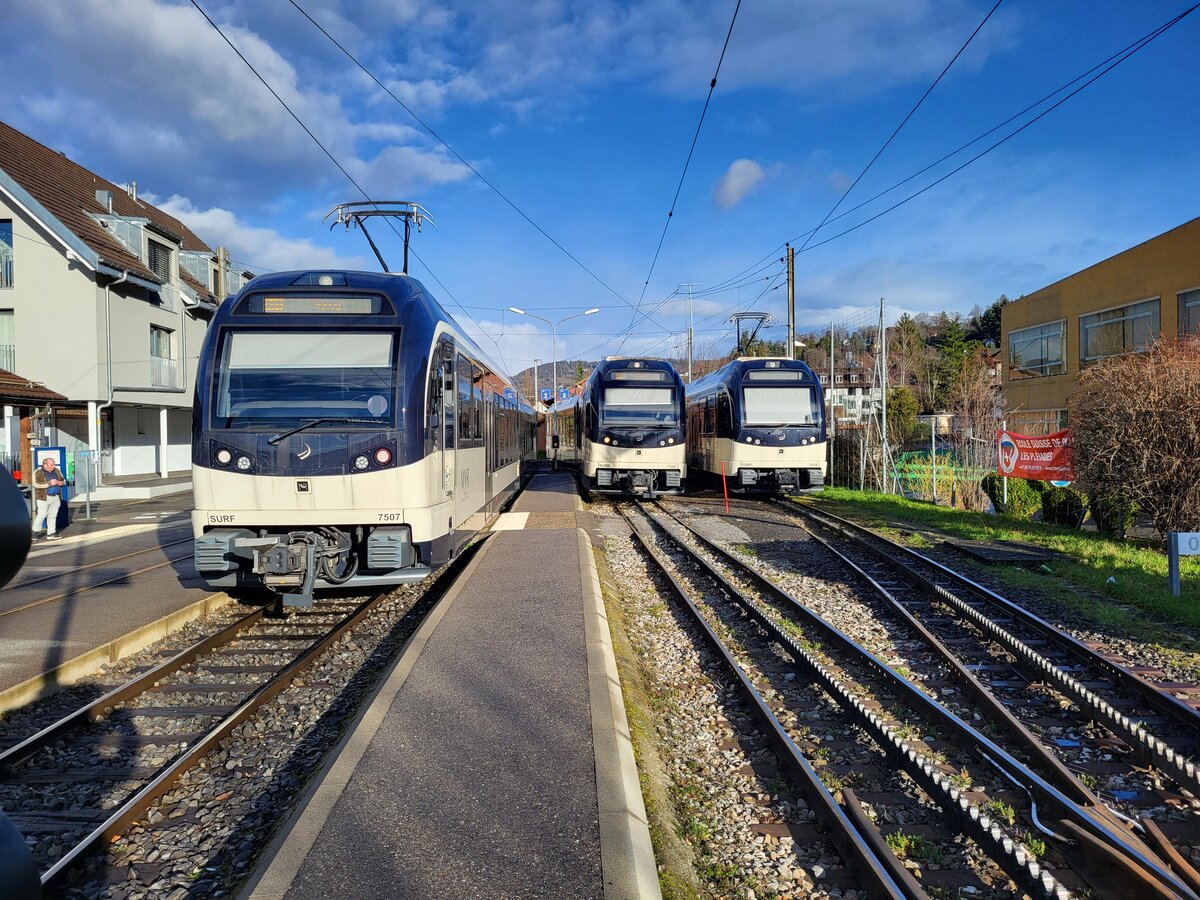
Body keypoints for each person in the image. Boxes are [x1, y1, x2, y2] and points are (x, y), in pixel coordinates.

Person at [32, 456, 65, 540]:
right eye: (51, 465)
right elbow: (35, 484)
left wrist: (62, 482)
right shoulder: (38, 472)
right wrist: (49, 483)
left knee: (52, 515)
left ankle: (51, 533)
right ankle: (35, 532)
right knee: (42, 514)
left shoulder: (57, 471)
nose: (53, 466)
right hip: (43, 497)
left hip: (55, 496)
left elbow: (63, 479)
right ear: (45, 465)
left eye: (53, 464)